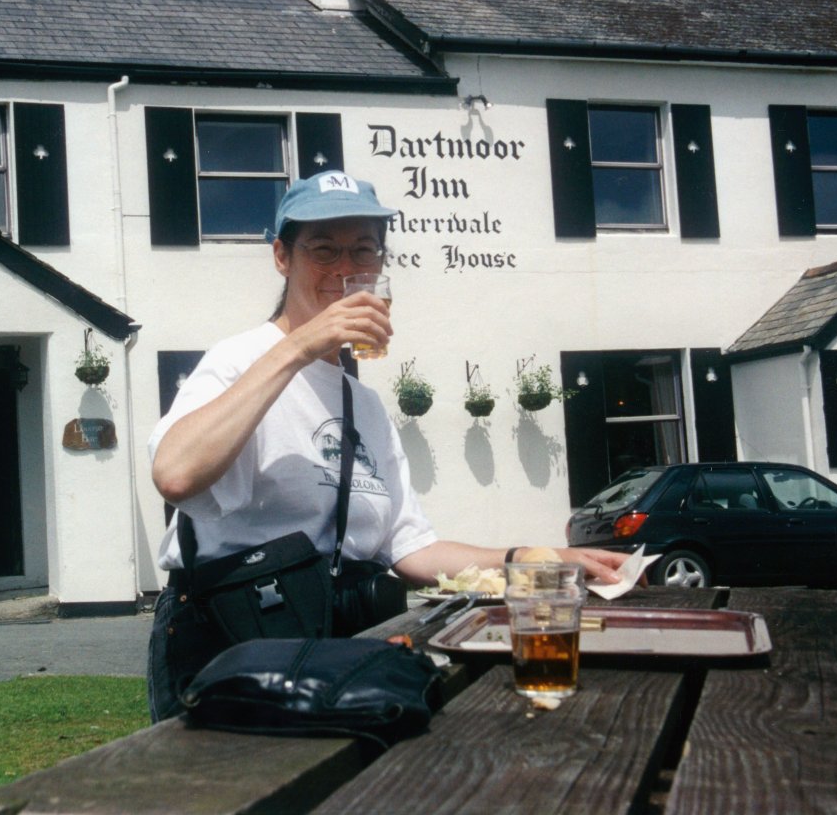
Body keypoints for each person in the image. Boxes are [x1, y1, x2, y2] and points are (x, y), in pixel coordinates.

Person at [146, 170, 628, 720]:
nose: (347, 270)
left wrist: (537, 560)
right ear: (282, 257)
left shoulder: (363, 403)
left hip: (332, 646)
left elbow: (411, 548)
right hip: (229, 645)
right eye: (323, 250)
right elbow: (176, 474)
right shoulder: (239, 360)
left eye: (364, 251)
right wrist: (302, 344)